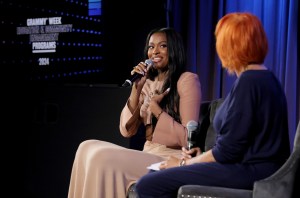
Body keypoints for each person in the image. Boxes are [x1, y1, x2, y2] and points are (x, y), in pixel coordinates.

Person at [134, 12, 291, 198]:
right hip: (248, 167)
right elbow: (241, 143)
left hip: (251, 171)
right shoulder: (266, 78)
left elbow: (228, 151)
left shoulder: (250, 82)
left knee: (148, 184)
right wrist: (201, 156)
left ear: (228, 46)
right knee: (156, 174)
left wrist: (184, 163)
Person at [67, 27, 202, 198]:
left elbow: (186, 138)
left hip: (170, 159)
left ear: (174, 49)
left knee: (102, 156)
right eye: (151, 47)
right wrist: (136, 89)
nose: (155, 52)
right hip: (148, 154)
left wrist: (156, 110)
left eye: (163, 46)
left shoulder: (187, 80)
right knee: (86, 146)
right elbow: (126, 130)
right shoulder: (145, 83)